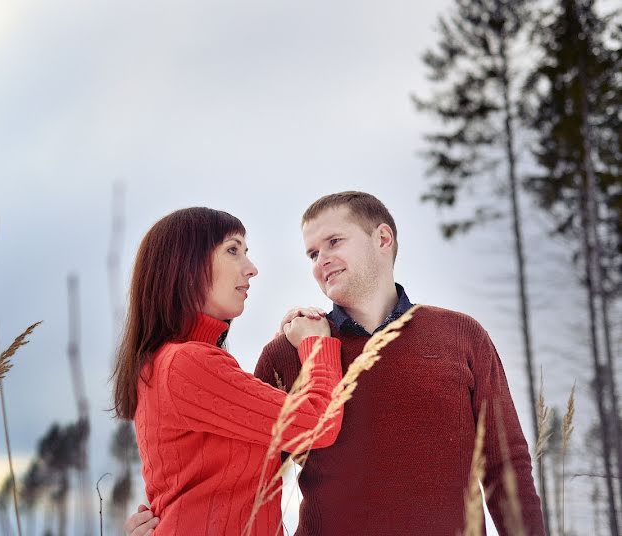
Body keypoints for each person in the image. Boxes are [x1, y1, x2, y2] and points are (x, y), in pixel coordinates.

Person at [126, 192, 546, 536]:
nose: (320, 259)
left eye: (334, 242)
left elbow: (506, 462)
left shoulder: (459, 335)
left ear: (383, 239)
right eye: (312, 252)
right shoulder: (288, 353)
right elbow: (247, 475)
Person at [112, 206, 343, 535]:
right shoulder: (186, 363)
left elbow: (240, 457)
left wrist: (285, 352)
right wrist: (317, 345)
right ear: (186, 265)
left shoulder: (174, 363)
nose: (251, 269)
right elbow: (317, 424)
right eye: (233, 250)